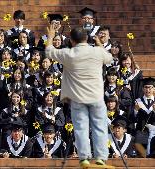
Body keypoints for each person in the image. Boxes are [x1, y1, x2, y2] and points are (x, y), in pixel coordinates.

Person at [46, 26, 112, 166]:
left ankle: (84, 158)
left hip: (78, 98)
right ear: (87, 38)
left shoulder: (68, 53)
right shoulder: (97, 52)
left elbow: (49, 51)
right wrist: (99, 44)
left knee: (81, 128)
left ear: (71, 40)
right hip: (96, 97)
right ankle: (100, 157)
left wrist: (51, 36)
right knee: (100, 127)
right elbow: (109, 58)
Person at [134, 77, 155, 157]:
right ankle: (146, 157)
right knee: (137, 141)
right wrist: (136, 111)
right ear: (143, 89)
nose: (148, 90)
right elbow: (134, 118)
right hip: (142, 129)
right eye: (146, 87)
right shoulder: (138, 101)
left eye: (150, 87)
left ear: (154, 89)